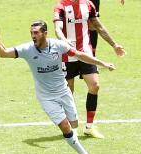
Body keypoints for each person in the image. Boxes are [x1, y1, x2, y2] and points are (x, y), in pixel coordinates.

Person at [0, 21, 116, 154]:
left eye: (36, 32)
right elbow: (3, 53)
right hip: (46, 97)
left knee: (74, 123)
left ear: (45, 33)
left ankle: (72, 142)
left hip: (63, 91)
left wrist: (103, 63)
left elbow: (80, 55)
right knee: (65, 126)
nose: (33, 36)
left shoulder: (58, 45)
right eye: (31, 33)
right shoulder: (27, 49)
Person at [53, 0, 125, 138]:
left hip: (86, 53)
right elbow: (57, 28)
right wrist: (64, 40)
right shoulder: (60, 6)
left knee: (95, 85)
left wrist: (114, 45)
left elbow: (98, 26)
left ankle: (89, 127)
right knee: (68, 92)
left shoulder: (88, 4)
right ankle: (70, 127)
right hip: (67, 55)